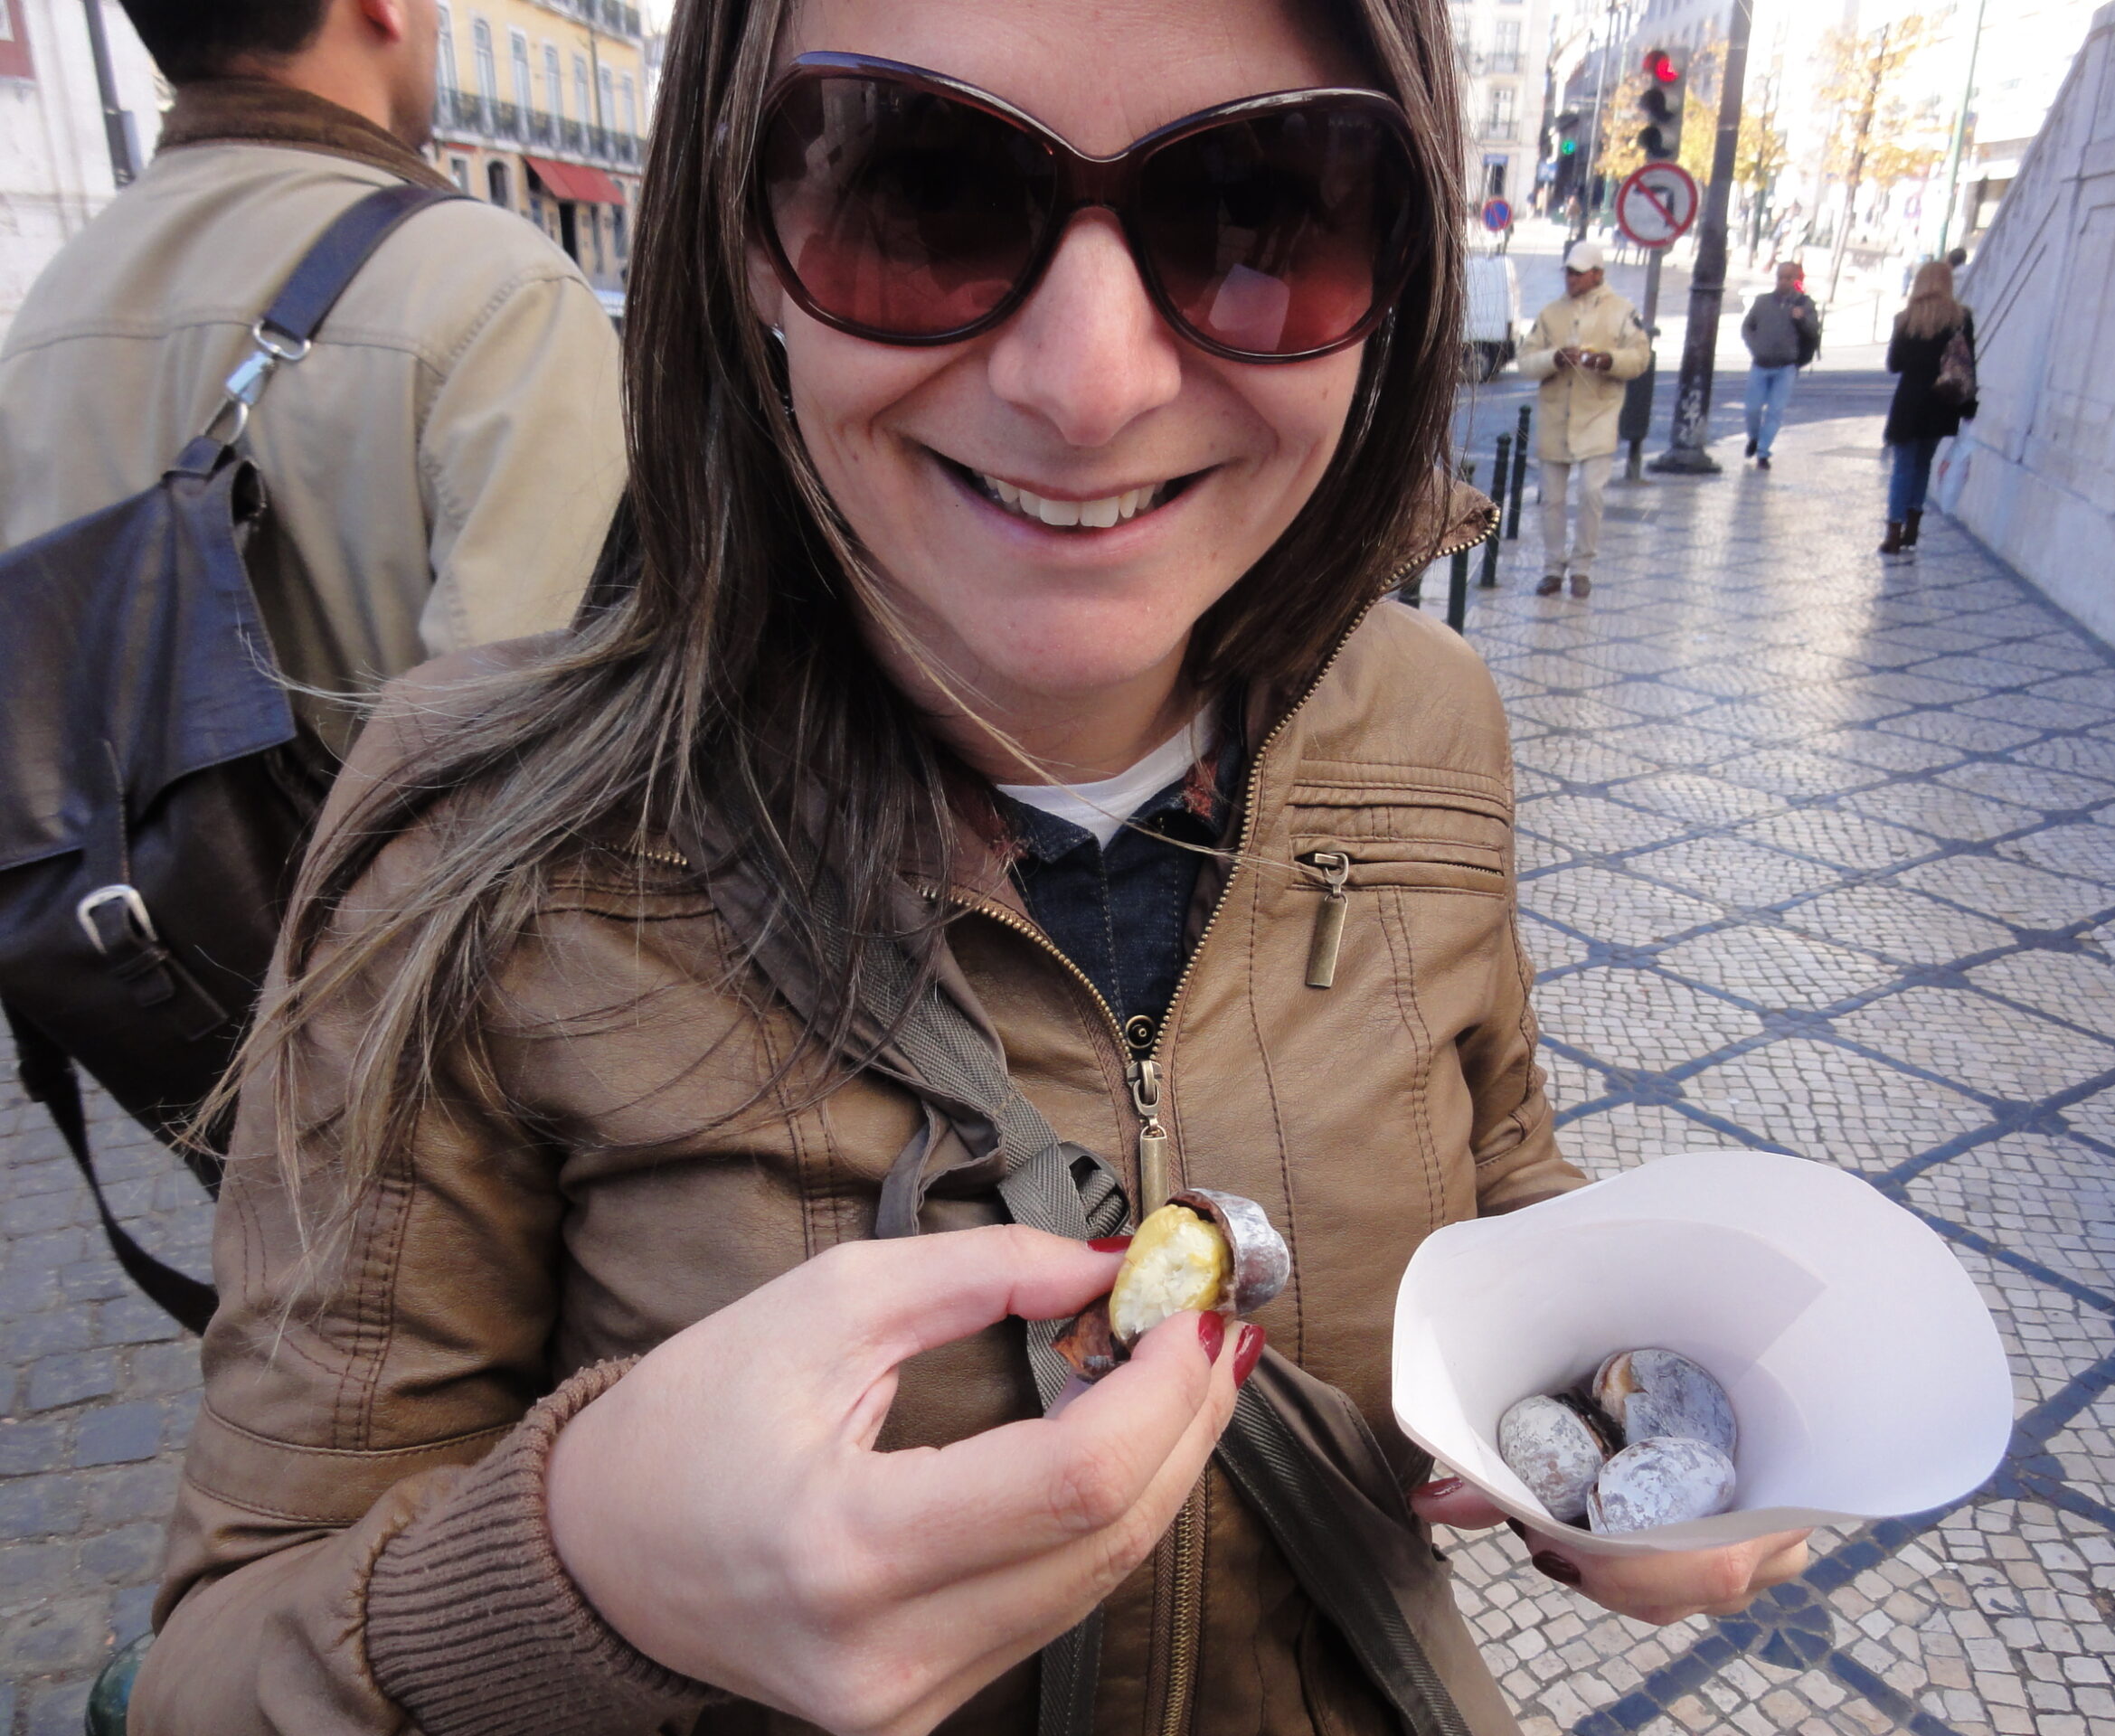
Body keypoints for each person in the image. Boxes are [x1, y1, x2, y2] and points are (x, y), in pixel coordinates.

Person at [133, 0, 1812, 1730]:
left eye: (1259, 208)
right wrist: (584, 1576)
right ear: (744, 236)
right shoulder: (481, 827)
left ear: (1400, 254)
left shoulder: (1431, 718)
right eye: (921, 191)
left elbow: (1499, 1170)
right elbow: (218, 1666)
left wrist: (1634, 1413)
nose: (1089, 386)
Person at [0, 0, 624, 753]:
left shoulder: (47, 307)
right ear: (381, 9)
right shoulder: (500, 291)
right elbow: (541, 764)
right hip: (386, 828)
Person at [1515, 239, 1649, 598]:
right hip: (1556, 416)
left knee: (1591, 492)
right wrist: (1554, 358)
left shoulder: (1621, 311)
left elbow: (1640, 357)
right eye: (1569, 273)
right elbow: (1525, 361)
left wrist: (1608, 360)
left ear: (1597, 274)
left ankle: (1582, 567)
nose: (1571, 279)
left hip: (1599, 414)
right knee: (1552, 499)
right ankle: (1552, 567)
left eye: (1578, 273)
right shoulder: (1551, 313)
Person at [1880, 259, 1975, 554]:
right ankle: (1912, 529)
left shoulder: (1905, 319)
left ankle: (1893, 532)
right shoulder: (1961, 319)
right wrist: (1968, 405)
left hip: (1910, 401)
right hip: (1942, 402)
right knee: (1923, 465)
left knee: (1902, 468)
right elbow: (1967, 365)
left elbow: (1894, 364)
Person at [1739, 259, 1819, 470]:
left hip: (1786, 366)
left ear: (1795, 280)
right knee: (1752, 408)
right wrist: (1755, 346)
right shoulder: (1763, 302)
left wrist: (1801, 319)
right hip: (1760, 363)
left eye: (1788, 278)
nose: (1783, 282)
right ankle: (1754, 437)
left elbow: (1813, 331)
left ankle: (1763, 452)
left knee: (1775, 411)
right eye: (1780, 277)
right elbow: (1747, 327)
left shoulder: (1804, 304)